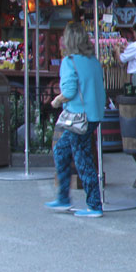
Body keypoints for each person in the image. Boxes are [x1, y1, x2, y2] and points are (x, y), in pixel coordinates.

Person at [46, 21, 107, 217]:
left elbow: (69, 91)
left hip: (78, 118)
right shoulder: (93, 61)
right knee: (62, 151)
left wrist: (56, 101)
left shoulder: (69, 62)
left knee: (82, 159)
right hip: (94, 115)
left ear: (69, 40)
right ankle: (63, 198)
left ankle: (94, 205)